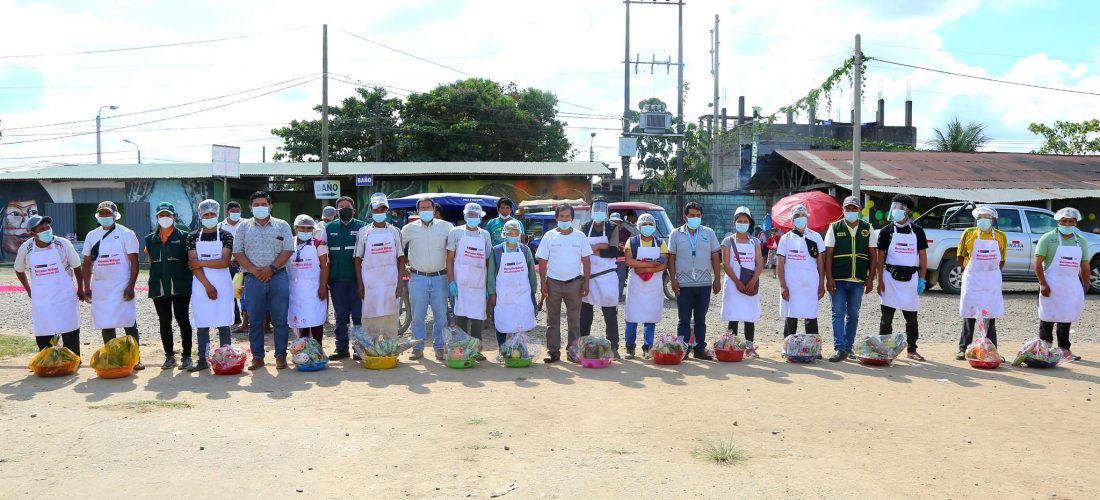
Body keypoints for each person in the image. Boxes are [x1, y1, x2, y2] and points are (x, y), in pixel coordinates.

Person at [232, 191, 294, 370]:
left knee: (280, 319)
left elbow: (288, 249)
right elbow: (237, 252)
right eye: (256, 205)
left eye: (263, 204)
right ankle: (257, 357)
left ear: (270, 206)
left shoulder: (282, 225)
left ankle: (280, 356)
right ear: (250, 207)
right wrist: (253, 270)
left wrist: (271, 269)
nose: (260, 207)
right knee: (255, 320)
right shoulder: (243, 227)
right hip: (253, 279)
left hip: (278, 276)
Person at [81, 201, 144, 369]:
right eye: (101, 213)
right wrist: (86, 287)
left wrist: (131, 286)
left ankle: (135, 358)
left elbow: (134, 262)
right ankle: (113, 358)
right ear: (97, 216)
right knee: (106, 323)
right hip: (101, 287)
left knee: (128, 322)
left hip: (122, 285)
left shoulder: (126, 234)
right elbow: (87, 263)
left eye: (108, 213)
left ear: (115, 216)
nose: (105, 216)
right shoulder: (92, 235)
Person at [15, 214, 84, 356]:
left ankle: (73, 358)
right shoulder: (26, 247)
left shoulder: (63, 244)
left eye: (48, 227)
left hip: (64, 294)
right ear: (33, 233)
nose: (47, 230)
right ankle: (47, 360)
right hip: (42, 297)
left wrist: (80, 288)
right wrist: (28, 289)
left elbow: (77, 266)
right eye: (42, 228)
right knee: (44, 328)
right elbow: (18, 269)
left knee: (69, 327)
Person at [536, 204, 592, 363]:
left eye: (567, 217)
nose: (565, 219)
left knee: (574, 320)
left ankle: (573, 352)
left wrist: (586, 282)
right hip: (553, 283)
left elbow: (586, 261)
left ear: (572, 218)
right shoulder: (549, 236)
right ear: (556, 218)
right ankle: (553, 352)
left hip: (575, 283)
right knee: (552, 320)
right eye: (561, 216)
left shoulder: (580, 236)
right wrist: (543, 283)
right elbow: (543, 261)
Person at [876, 194, 928, 361]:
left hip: (911, 279)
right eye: (894, 209)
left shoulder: (918, 232)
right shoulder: (886, 231)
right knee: (886, 318)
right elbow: (880, 257)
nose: (895, 212)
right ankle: (885, 350)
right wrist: (879, 280)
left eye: (899, 209)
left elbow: (923, 256)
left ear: (908, 212)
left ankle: (912, 350)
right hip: (890, 278)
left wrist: (922, 278)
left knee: (911, 318)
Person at [1034, 207, 1090, 361]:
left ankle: (1064, 350)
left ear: (1076, 223)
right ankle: (1045, 349)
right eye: (1064, 221)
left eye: (1071, 221)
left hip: (1071, 285)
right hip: (1050, 282)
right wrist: (1043, 284)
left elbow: (1084, 265)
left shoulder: (1081, 240)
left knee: (1066, 317)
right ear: (1058, 222)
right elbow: (1038, 263)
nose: (1067, 224)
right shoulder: (1047, 238)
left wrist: (1085, 284)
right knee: (1047, 316)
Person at [402, 197, 454, 360]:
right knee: (418, 315)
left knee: (441, 316)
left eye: (428, 207)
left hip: (441, 277)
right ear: (417, 211)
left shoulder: (447, 227)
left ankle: (439, 347)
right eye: (422, 208)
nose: (425, 210)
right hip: (418, 278)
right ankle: (417, 347)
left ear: (434, 210)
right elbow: (398, 249)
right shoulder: (408, 229)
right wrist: (404, 266)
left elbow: (453, 252)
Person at [824, 196, 876, 362]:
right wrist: (829, 279)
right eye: (848, 209)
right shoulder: (834, 227)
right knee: (837, 314)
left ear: (859, 210)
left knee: (853, 315)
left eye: (854, 209)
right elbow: (828, 256)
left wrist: (870, 279)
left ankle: (848, 347)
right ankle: (839, 348)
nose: (851, 212)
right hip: (838, 279)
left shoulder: (868, 228)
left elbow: (873, 256)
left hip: (858, 280)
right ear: (843, 210)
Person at [668, 201, 721, 360]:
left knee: (701, 318)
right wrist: (673, 279)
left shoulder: (709, 233)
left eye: (698, 216)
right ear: (685, 217)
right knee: (683, 318)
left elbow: (714, 256)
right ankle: (682, 349)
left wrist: (717, 279)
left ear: (701, 216)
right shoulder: (675, 234)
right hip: (683, 284)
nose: (695, 218)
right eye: (692, 215)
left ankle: (699, 349)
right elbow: (672, 258)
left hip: (704, 283)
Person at [144, 202, 194, 370]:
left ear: (174, 217)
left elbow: (191, 260)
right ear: (157, 218)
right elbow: (150, 261)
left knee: (182, 319)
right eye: (161, 215)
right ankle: (169, 356)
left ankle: (187, 355)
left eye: (168, 215)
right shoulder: (150, 239)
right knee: (164, 321)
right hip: (159, 286)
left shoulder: (185, 236)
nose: (165, 218)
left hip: (180, 285)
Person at [187, 200, 234, 373]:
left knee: (224, 322)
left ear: (217, 214)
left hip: (222, 284)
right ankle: (202, 359)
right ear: (201, 216)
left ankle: (226, 358)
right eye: (205, 215)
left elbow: (224, 262)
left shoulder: (226, 235)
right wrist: (207, 285)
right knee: (202, 323)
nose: (209, 217)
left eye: (212, 214)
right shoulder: (192, 236)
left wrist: (201, 262)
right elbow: (193, 265)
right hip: (200, 284)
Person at [955, 206, 1006, 360]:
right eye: (980, 218)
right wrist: (972, 269)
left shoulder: (1000, 236)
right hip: (973, 278)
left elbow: (1002, 260)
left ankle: (991, 349)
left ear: (993, 220)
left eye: (987, 218)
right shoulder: (968, 233)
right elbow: (960, 256)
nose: (983, 221)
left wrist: (989, 270)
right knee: (970, 312)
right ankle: (963, 348)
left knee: (990, 313)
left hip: (991, 279)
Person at [355, 193, 406, 342]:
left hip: (390, 283)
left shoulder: (395, 232)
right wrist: (360, 285)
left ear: (387, 211)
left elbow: (401, 258)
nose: (379, 213)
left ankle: (390, 350)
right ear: (371, 211)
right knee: (371, 317)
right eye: (376, 210)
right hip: (370, 284)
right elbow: (357, 259)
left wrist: (400, 283)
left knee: (390, 317)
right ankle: (372, 350)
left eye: (382, 210)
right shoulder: (364, 232)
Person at [579, 200, 621, 359]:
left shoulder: (612, 227)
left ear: (607, 212)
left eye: (602, 209)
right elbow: (582, 250)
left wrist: (592, 250)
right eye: (596, 209)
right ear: (591, 211)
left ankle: (614, 346)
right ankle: (583, 345)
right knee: (585, 314)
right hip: (588, 274)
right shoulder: (584, 227)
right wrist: (599, 247)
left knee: (610, 313)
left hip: (607, 274)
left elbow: (613, 251)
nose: (599, 212)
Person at [447, 203, 492, 351]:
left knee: (478, 318)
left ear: (480, 217)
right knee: (461, 317)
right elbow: (449, 259)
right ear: (465, 216)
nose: (472, 218)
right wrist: (451, 281)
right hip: (460, 283)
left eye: (475, 215)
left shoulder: (485, 235)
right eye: (470, 215)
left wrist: (488, 285)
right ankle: (461, 350)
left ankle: (476, 350)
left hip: (479, 284)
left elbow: (488, 261)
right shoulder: (456, 232)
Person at [327, 196, 367, 360]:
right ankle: (341, 348)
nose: (344, 209)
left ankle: (358, 348)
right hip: (337, 280)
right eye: (341, 207)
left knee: (358, 316)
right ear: (336, 211)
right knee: (341, 315)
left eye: (347, 207)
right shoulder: (328, 228)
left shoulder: (363, 227)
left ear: (354, 210)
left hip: (358, 281)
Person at [777, 204, 825, 339]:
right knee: (791, 316)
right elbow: (780, 263)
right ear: (792, 219)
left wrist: (822, 283)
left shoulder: (816, 237)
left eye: (803, 215)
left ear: (807, 217)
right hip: (791, 284)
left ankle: (813, 349)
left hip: (810, 284)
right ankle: (788, 347)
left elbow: (820, 262)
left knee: (811, 316)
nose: (800, 218)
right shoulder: (785, 238)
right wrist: (782, 285)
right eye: (797, 216)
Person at [623, 213, 668, 359]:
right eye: (644, 225)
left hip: (653, 285)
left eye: (650, 224)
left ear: (654, 226)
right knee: (632, 316)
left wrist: (643, 269)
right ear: (639, 226)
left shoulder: (660, 243)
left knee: (650, 316)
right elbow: (629, 261)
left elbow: (664, 264)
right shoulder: (632, 241)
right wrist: (650, 264)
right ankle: (630, 347)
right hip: (636, 285)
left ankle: (647, 347)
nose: (647, 227)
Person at [721, 207, 763, 359]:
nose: (742, 223)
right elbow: (725, 264)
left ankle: (749, 348)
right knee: (733, 314)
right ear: (734, 223)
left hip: (750, 283)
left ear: (750, 223)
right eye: (740, 221)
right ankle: (733, 345)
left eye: (745, 221)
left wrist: (752, 281)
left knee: (748, 315)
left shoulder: (755, 242)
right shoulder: (727, 241)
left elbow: (759, 263)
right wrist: (737, 282)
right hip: (733, 284)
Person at [488, 219, 538, 347]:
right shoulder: (496, 251)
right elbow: (491, 274)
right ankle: (503, 349)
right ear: (504, 233)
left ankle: (519, 349)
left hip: (522, 294)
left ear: (520, 234)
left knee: (519, 322)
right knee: (502, 322)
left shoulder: (525, 250)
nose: (513, 236)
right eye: (510, 233)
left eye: (516, 233)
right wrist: (492, 293)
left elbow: (531, 272)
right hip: (503, 294)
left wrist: (533, 290)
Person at [288, 215, 329, 343]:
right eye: (302, 228)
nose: (305, 231)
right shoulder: (289, 243)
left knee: (315, 319)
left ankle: (318, 350)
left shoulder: (319, 244)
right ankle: (303, 350)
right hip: (294, 290)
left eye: (309, 228)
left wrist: (323, 286)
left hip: (314, 289)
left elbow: (325, 266)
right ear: (296, 228)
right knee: (300, 321)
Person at [221, 201, 245, 331]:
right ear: (227, 212)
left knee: (243, 292)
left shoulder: (246, 224)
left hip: (244, 264)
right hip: (227, 264)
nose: (236, 213)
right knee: (230, 291)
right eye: (233, 211)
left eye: (238, 210)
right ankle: (235, 317)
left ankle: (245, 318)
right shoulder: (220, 226)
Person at [611, 212, 630, 302]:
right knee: (610, 277)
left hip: (622, 259)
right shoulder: (607, 231)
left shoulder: (626, 232)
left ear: (620, 222)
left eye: (617, 221)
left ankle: (619, 295)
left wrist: (623, 246)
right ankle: (611, 295)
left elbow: (629, 243)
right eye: (613, 221)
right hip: (610, 259)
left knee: (621, 277)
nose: (615, 223)